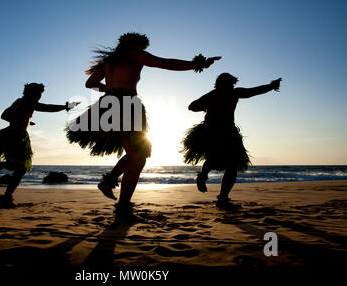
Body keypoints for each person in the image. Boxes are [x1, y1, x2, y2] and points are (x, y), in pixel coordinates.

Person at [66, 32, 221, 220]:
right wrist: (198, 64)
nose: (143, 50)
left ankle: (110, 184)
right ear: (136, 44)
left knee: (138, 153)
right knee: (139, 156)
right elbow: (166, 63)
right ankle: (122, 209)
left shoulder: (109, 60)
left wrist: (110, 89)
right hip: (125, 104)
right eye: (142, 47)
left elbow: (90, 83)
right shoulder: (134, 53)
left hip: (108, 104)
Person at [181, 73, 282, 209]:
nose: (229, 86)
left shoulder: (226, 93)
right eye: (227, 84)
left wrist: (270, 86)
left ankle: (221, 195)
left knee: (230, 164)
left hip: (228, 133)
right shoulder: (218, 94)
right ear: (222, 84)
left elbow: (253, 91)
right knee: (216, 160)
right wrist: (271, 86)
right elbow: (192, 106)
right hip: (213, 132)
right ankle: (207, 181)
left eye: (230, 84)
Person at [0, 83, 79, 208]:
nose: (39, 97)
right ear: (32, 93)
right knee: (21, 168)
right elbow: (46, 107)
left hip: (8, 133)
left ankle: (5, 192)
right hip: (18, 136)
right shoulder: (29, 101)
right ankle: (3, 186)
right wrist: (66, 106)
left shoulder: (18, 101)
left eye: (40, 95)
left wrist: (25, 119)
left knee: (18, 166)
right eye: (38, 94)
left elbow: (4, 115)